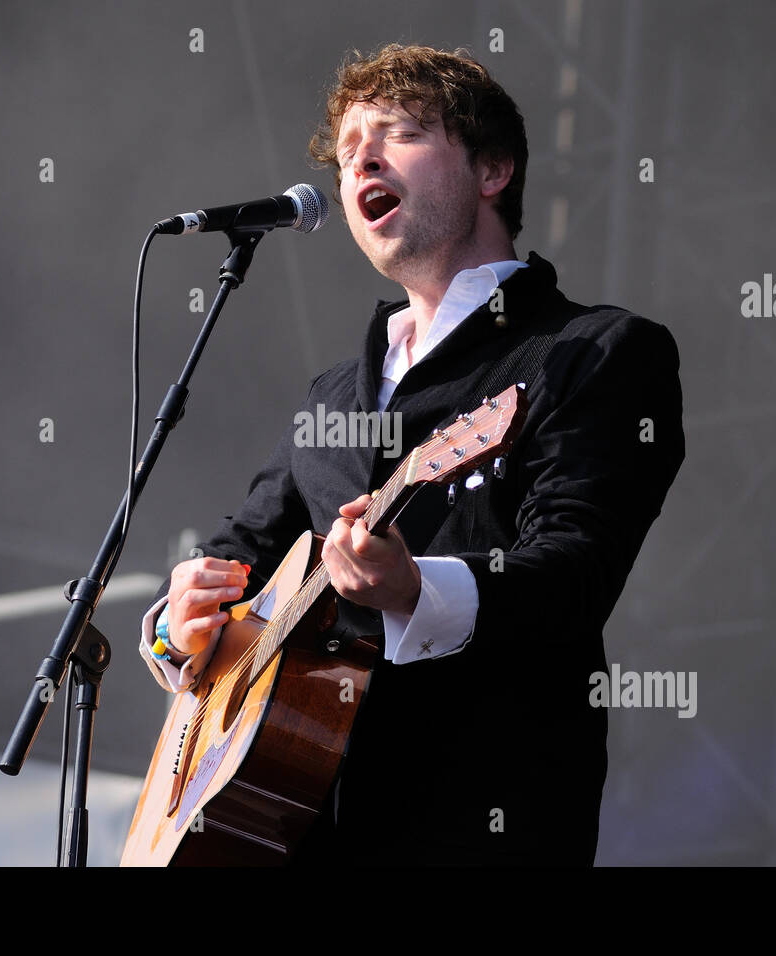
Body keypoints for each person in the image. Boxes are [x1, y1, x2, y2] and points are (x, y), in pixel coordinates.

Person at [137, 43, 684, 865]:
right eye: (350, 146)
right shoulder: (334, 396)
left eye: (396, 133)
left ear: (493, 169)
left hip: (475, 822)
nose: (362, 156)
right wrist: (177, 631)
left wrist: (416, 588)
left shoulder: (593, 351)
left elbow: (576, 574)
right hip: (291, 835)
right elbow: (236, 556)